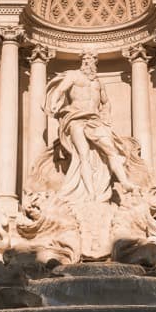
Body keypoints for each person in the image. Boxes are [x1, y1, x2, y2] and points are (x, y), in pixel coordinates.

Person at [44, 52, 136, 202]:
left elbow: (105, 102)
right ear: (81, 61)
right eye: (85, 59)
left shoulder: (99, 82)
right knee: (83, 155)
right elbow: (60, 90)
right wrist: (54, 104)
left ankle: (124, 182)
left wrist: (106, 116)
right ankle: (90, 192)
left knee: (111, 150)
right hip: (76, 118)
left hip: (95, 120)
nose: (88, 62)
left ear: (96, 62)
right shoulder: (73, 75)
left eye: (92, 59)